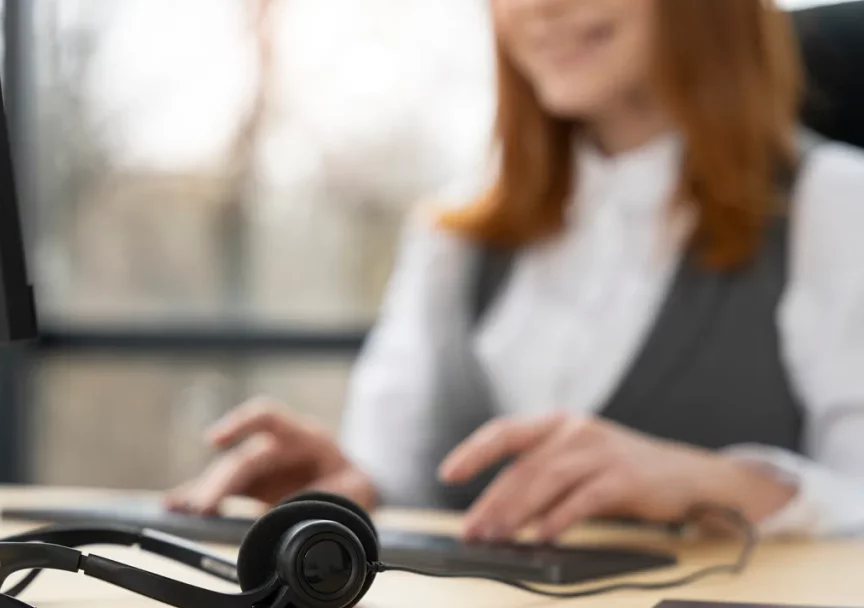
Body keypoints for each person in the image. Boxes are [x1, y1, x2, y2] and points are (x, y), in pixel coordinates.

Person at [167, 0, 864, 542]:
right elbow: (400, 471)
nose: (540, 7)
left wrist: (716, 483)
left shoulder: (830, 204)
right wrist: (347, 483)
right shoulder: (455, 231)